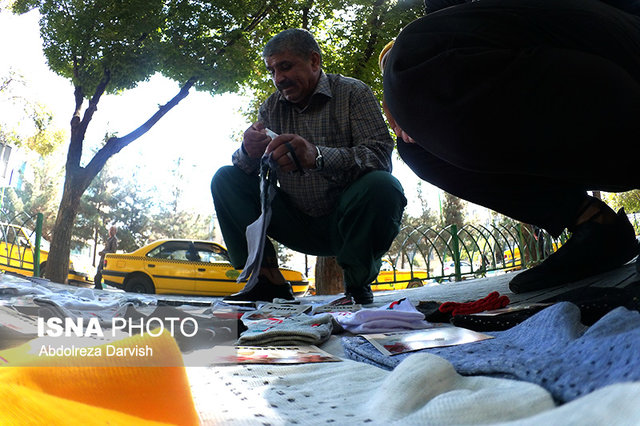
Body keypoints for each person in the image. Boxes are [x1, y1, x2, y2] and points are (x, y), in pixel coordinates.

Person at [380, 0, 640, 293]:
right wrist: (400, 89)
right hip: (571, 78)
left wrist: (402, 73)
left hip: (617, 37)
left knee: (414, 55)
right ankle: (593, 223)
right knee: (417, 145)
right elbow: (444, 14)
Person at [211, 28, 407, 304]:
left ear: (314, 61)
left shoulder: (354, 92)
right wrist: (248, 151)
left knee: (383, 185)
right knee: (225, 178)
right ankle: (265, 280)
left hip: (349, 221)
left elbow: (380, 157)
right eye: (272, 71)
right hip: (296, 222)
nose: (278, 78)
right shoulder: (271, 108)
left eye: (285, 67)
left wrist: (317, 156)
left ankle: (357, 284)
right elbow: (245, 172)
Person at [94, 226, 118, 290]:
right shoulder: (109, 239)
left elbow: (113, 251)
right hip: (102, 259)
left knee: (99, 275)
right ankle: (97, 288)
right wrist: (102, 252)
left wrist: (103, 253)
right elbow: (106, 249)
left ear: (115, 232)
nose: (110, 231)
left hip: (106, 260)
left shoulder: (114, 240)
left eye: (112, 230)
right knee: (97, 275)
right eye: (110, 230)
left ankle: (98, 288)